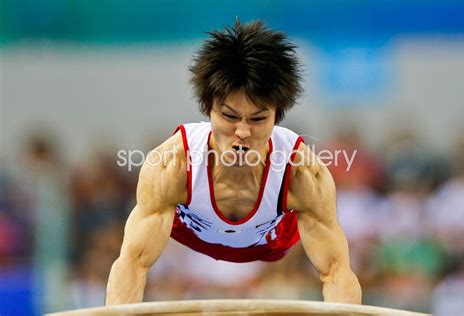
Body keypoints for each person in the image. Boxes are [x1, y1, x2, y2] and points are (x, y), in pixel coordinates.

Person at [106, 20, 361, 305]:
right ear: (207, 109)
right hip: (190, 235)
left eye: (257, 119)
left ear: (277, 116)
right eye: (229, 116)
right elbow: (133, 263)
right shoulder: (172, 165)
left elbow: (336, 271)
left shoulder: (302, 173)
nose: (242, 132)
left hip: (272, 243)